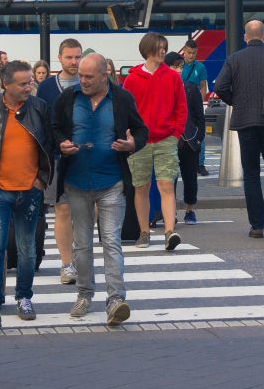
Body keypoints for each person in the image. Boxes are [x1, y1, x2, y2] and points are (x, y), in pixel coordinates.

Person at [52, 53, 145, 326]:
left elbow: (141, 130)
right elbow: (54, 128)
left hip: (112, 180)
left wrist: (132, 145)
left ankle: (116, 299)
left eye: (89, 77)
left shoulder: (122, 98)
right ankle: (84, 294)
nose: (82, 81)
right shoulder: (69, 98)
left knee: (111, 241)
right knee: (81, 244)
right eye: (80, 76)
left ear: (105, 75)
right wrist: (61, 144)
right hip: (77, 181)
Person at [0, 61, 54, 328]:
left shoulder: (39, 108)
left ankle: (24, 298)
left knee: (27, 250)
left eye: (31, 82)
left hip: (30, 190)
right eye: (24, 83)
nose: (30, 86)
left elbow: (49, 147)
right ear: (6, 85)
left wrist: (42, 180)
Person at [214, 20, 264, 239]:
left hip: (246, 123)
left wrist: (236, 102)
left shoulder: (235, 59)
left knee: (251, 174)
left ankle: (256, 226)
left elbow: (220, 87)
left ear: (246, 37)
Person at [122, 33, 187, 252]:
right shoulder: (131, 79)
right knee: (141, 187)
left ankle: (170, 231)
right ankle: (144, 231)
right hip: (140, 141)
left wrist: (175, 133)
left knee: (166, 184)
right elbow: (126, 111)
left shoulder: (172, 77)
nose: (163, 51)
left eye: (164, 47)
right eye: (159, 47)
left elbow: (181, 107)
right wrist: (131, 135)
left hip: (165, 138)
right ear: (148, 50)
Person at [37, 39, 85, 287]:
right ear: (60, 58)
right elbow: (42, 123)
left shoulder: (92, 81)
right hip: (58, 156)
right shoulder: (46, 88)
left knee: (89, 210)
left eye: (77, 57)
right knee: (62, 209)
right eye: (69, 57)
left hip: (88, 156)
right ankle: (67, 263)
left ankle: (80, 255)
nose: (74, 62)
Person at [166, 51, 204, 225]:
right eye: (175, 66)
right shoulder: (161, 88)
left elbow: (199, 115)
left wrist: (199, 138)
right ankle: (170, 212)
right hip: (169, 139)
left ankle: (190, 209)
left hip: (189, 139)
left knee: (190, 177)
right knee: (168, 179)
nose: (178, 70)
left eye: (181, 67)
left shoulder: (190, 88)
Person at [181, 40, 211, 177]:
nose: (191, 55)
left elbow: (203, 85)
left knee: (200, 133)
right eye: (188, 52)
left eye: (193, 53)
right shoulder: (179, 66)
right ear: (184, 51)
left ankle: (200, 164)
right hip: (181, 103)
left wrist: (201, 100)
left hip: (194, 103)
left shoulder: (200, 67)